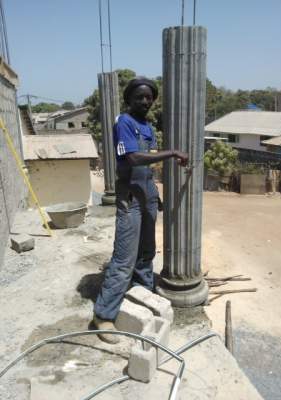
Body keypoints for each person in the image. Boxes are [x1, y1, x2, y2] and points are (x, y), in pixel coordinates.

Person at [93, 77, 188, 343]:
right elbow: (132, 159)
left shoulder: (147, 126)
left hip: (146, 194)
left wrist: (154, 194)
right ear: (129, 100)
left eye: (149, 97)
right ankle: (103, 315)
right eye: (139, 97)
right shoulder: (124, 122)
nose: (145, 101)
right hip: (130, 198)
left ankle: (142, 294)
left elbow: (145, 168)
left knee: (146, 252)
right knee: (124, 257)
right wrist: (171, 153)